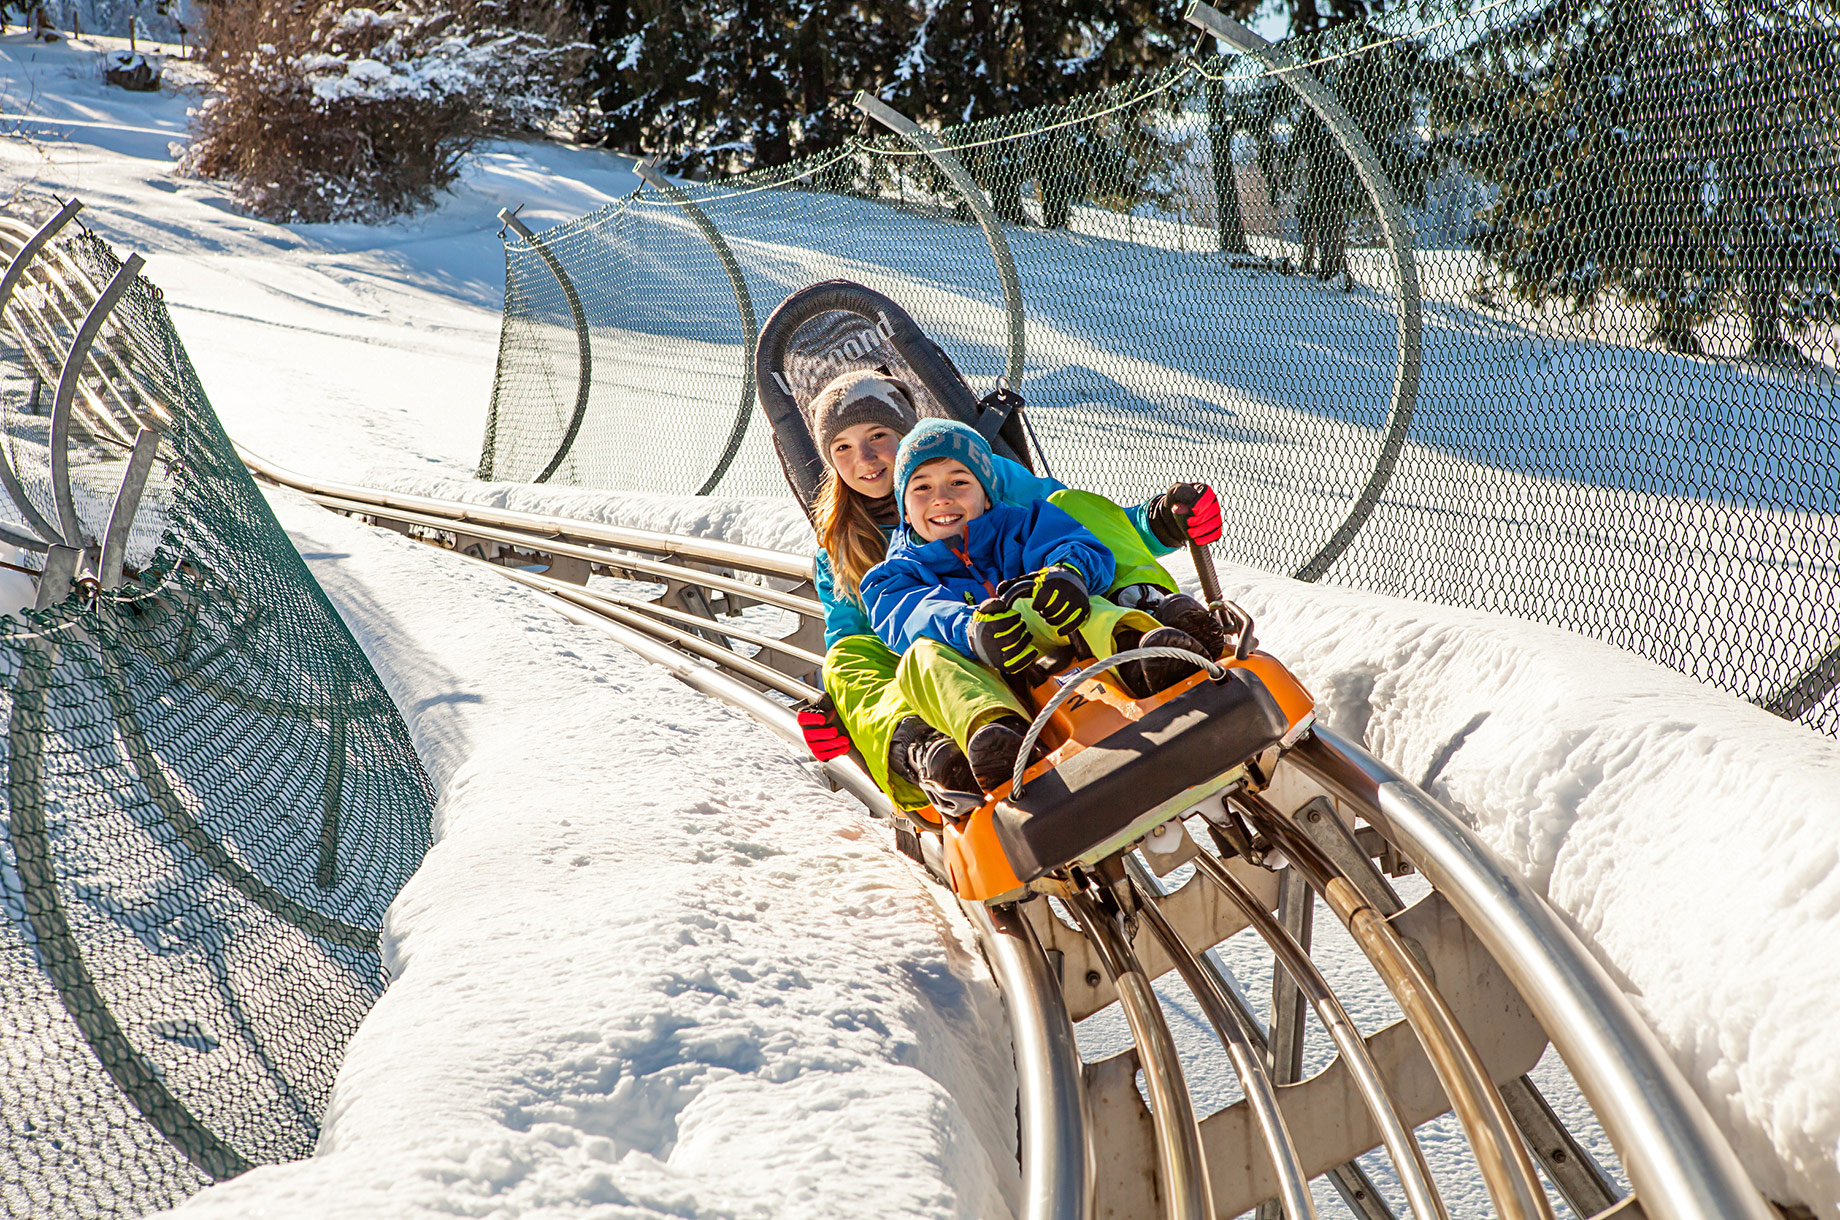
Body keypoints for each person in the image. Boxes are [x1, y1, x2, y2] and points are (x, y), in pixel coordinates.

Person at [795, 370, 1224, 808]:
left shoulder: (982, 472)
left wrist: (1155, 523)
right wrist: (843, 710)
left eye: (877, 435)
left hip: (1044, 615)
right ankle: (927, 753)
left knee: (1065, 506)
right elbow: (864, 638)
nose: (864, 458)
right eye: (842, 448)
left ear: (907, 435)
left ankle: (1150, 613)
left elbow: (1070, 526)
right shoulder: (839, 548)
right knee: (845, 660)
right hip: (950, 655)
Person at [859, 419, 1209, 793]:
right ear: (905, 510)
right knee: (920, 659)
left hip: (1059, 642)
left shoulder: (1023, 522)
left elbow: (1076, 542)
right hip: (983, 670)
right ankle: (994, 734)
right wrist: (970, 630)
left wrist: (1068, 574)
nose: (941, 498)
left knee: (1070, 598)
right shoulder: (892, 576)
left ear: (986, 493)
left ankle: (1141, 650)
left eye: (958, 482)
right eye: (922, 488)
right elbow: (912, 617)